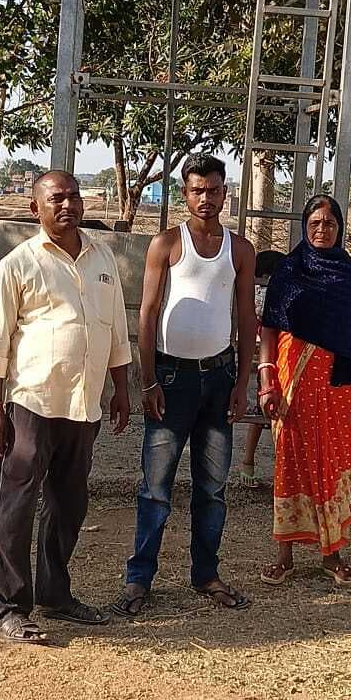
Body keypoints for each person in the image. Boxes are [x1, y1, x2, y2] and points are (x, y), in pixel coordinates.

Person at [0, 170, 131, 643]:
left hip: (83, 405)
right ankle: (10, 607)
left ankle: (55, 595)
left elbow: (116, 330)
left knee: (69, 506)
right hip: (32, 403)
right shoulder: (19, 263)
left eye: (74, 197)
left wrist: (121, 388)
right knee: (16, 505)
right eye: (56, 199)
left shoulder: (102, 257)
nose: (68, 205)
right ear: (36, 209)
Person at [113, 152, 256, 616]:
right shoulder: (167, 244)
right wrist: (148, 380)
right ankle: (139, 579)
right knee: (155, 487)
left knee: (212, 488)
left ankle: (206, 574)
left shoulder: (240, 250)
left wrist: (242, 384)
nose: (205, 198)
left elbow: (246, 319)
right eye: (197, 191)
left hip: (220, 378)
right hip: (171, 378)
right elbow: (148, 313)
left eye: (213, 190)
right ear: (184, 194)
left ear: (225, 193)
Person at [258, 195, 351, 588]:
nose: (321, 230)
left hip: (339, 391)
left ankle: (333, 555)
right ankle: (284, 556)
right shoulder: (288, 272)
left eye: (329, 224)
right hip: (292, 387)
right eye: (314, 223)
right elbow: (269, 327)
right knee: (290, 465)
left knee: (332, 465)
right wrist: (266, 379)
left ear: (339, 228)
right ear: (304, 225)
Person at [240, 249, 285, 489]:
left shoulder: (257, 291)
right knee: (272, 414)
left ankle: (249, 463)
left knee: (263, 414)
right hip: (273, 357)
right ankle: (274, 466)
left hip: (271, 357)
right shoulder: (265, 293)